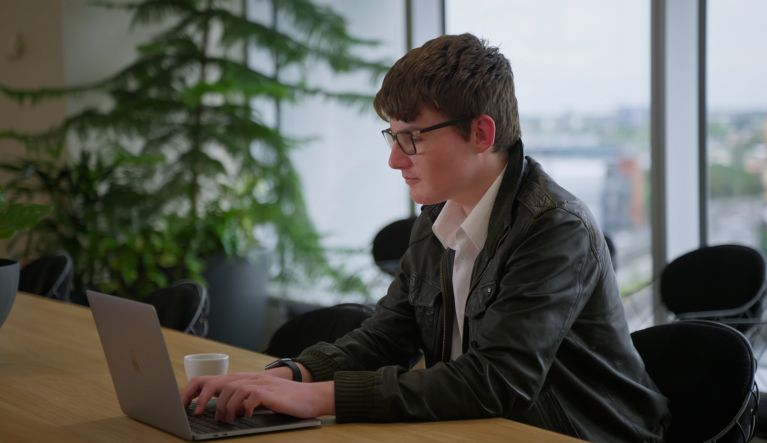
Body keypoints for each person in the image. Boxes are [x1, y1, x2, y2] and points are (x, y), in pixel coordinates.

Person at [182, 33, 670, 442]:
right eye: (391, 136)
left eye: (411, 137)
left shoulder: (555, 228)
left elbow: (494, 381)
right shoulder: (439, 212)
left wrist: (315, 397)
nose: (395, 159)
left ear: (481, 133)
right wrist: (288, 376)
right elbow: (388, 334)